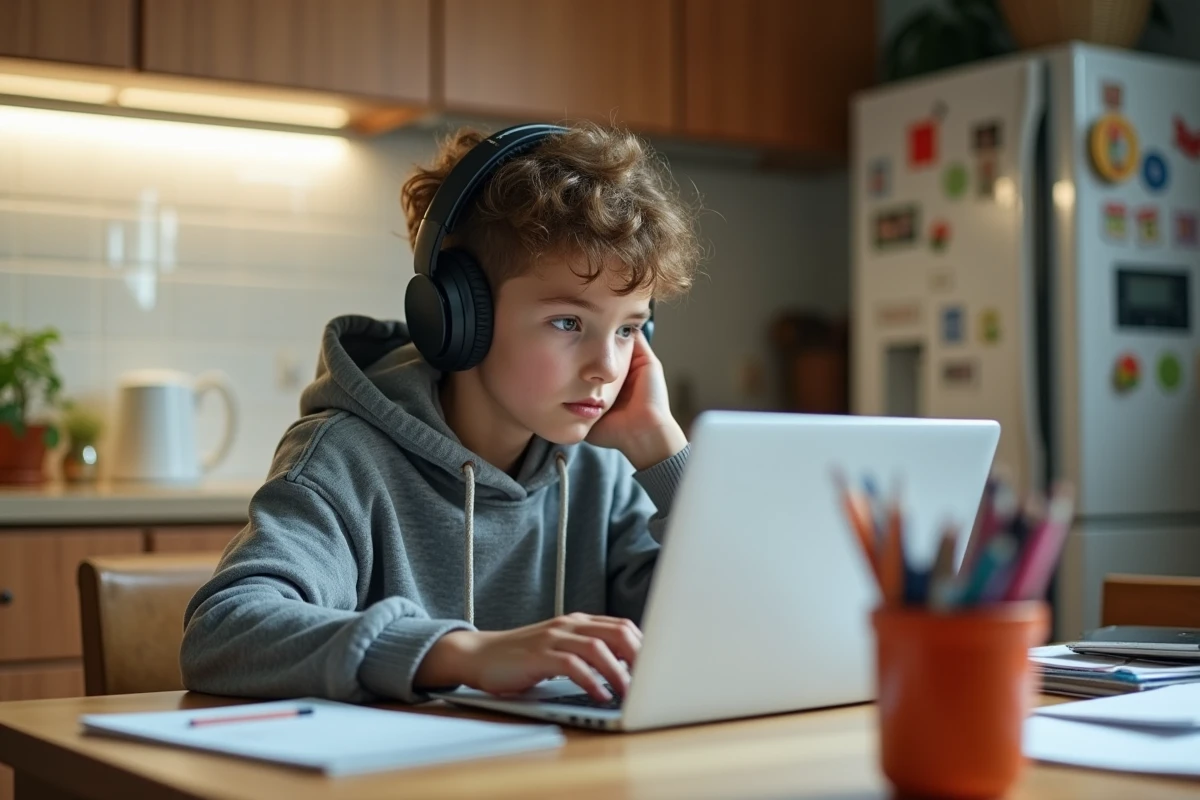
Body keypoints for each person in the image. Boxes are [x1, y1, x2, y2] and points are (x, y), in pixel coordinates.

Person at [180, 121, 703, 705]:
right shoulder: (346, 459)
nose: (607, 367)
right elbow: (223, 633)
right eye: (568, 322)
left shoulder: (598, 471)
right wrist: (465, 653)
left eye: (629, 328)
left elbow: (741, 627)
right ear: (460, 317)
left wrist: (664, 453)